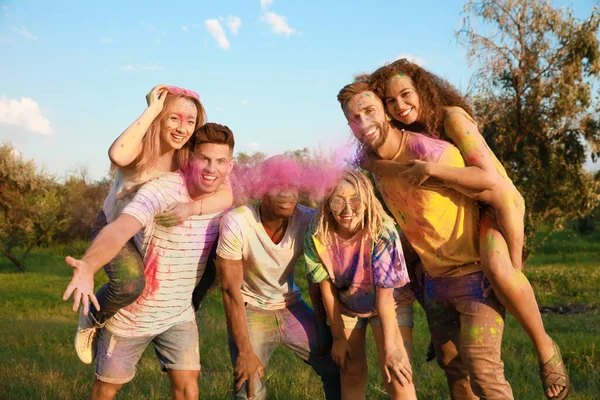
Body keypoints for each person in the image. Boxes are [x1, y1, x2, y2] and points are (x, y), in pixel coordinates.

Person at [368, 59, 568, 400]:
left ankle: (545, 346)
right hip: (462, 219)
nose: (400, 106)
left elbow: (491, 182)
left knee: (501, 269)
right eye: (390, 102)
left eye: (406, 95)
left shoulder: (451, 118)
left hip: (495, 207)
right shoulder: (409, 134)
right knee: (418, 266)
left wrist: (431, 170)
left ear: (422, 88)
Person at [338, 79, 515, 399]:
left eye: (369, 111)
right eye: (353, 118)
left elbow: (495, 193)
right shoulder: (376, 166)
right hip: (435, 281)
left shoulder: (434, 153)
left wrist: (507, 265)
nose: (362, 123)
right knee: (453, 367)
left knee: (484, 370)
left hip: (475, 274)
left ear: (388, 113)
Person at [61, 123, 236, 400]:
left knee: (188, 388)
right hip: (133, 315)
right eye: (204, 159)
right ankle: (95, 317)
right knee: (107, 389)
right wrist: (89, 265)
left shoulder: (225, 198)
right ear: (191, 158)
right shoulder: (161, 191)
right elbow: (120, 228)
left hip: (178, 315)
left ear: (230, 166)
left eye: (220, 161)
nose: (211, 168)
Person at [216, 155, 341, 400]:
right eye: (277, 184)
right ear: (261, 188)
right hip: (250, 308)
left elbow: (321, 275)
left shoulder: (307, 219)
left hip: (291, 305)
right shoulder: (238, 221)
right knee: (248, 384)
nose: (287, 193)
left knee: (337, 366)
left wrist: (328, 330)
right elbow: (230, 291)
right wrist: (245, 351)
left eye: (293, 185)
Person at [303, 169, 416, 400]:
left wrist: (392, 348)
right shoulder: (317, 233)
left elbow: (385, 299)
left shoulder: (382, 231)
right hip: (347, 306)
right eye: (338, 201)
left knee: (396, 374)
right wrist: (338, 338)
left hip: (391, 304)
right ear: (327, 202)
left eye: (355, 201)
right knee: (351, 372)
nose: (347, 211)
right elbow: (327, 291)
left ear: (367, 200)